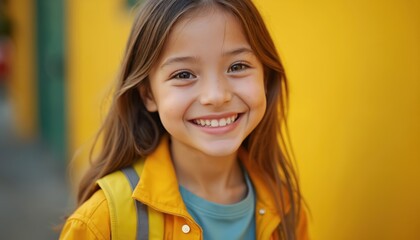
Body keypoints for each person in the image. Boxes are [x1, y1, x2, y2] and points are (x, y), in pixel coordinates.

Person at [60, 0, 309, 239]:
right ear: (149, 94)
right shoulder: (102, 222)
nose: (216, 96)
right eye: (184, 74)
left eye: (237, 66)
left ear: (265, 77)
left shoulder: (285, 208)